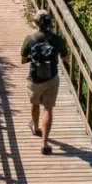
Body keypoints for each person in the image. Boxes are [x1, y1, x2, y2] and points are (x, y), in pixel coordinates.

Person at [21, 9, 70, 155]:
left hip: (34, 79)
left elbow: (23, 60)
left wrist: (34, 59)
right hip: (51, 78)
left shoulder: (30, 39)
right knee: (48, 109)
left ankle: (35, 128)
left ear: (36, 22)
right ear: (50, 22)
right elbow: (65, 57)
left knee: (34, 103)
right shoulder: (56, 39)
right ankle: (44, 144)